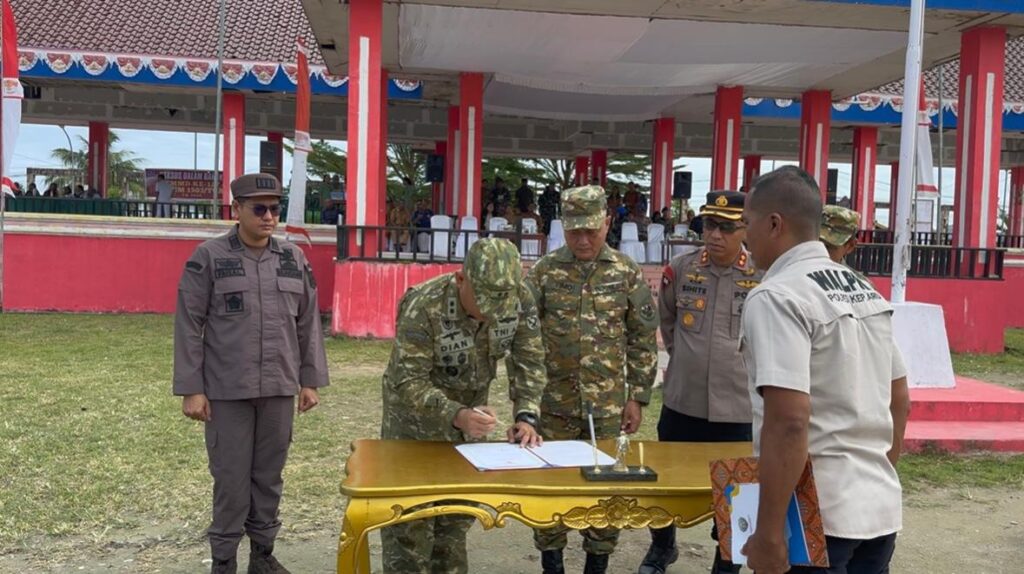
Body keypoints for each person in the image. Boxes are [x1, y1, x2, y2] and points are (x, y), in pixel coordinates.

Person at [739, 167, 903, 574]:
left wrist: (770, 532)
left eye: (747, 223)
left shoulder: (777, 296)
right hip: (878, 507)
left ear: (774, 223)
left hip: (814, 517)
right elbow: (900, 399)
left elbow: (789, 420)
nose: (744, 236)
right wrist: (876, 474)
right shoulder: (864, 290)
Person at [173, 173, 329, 574]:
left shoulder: (293, 258)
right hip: (227, 389)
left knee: (269, 476)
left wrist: (308, 381)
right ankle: (223, 560)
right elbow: (189, 323)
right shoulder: (207, 257)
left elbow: (308, 322)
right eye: (259, 209)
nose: (269, 217)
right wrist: (192, 388)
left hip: (278, 385)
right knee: (231, 479)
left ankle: (262, 555)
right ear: (236, 209)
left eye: (274, 208)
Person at [380, 238, 547, 574]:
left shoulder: (520, 299)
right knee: (409, 530)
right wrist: (455, 415)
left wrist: (526, 416)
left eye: (500, 303)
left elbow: (529, 359)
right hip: (414, 430)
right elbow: (407, 381)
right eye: (483, 301)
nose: (491, 312)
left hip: (469, 431)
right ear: (460, 279)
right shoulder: (425, 304)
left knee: (454, 526)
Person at [525, 185, 659, 574]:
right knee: (549, 487)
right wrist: (527, 402)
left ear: (607, 221)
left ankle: (596, 564)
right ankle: (552, 563)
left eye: (591, 231)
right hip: (553, 404)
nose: (583, 240)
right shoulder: (546, 271)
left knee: (605, 491)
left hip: (606, 407)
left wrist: (637, 396)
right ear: (562, 227)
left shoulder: (625, 272)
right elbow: (525, 337)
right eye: (573, 232)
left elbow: (642, 337)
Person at [640, 191, 764, 574]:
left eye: (727, 227)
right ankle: (662, 547)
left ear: (746, 229)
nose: (715, 235)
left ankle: (725, 563)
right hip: (684, 402)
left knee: (734, 497)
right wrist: (687, 363)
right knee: (665, 486)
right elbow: (667, 322)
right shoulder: (681, 268)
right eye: (710, 225)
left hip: (738, 408)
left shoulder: (762, 275)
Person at [820, 205, 911, 467]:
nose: (822, 251)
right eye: (818, 241)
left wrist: (890, 464)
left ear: (850, 246)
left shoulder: (862, 289)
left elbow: (896, 386)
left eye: (830, 244)